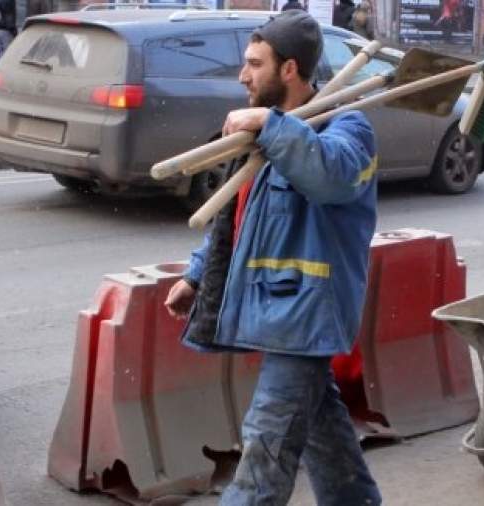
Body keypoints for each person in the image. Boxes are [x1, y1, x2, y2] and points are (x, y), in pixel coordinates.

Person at [164, 11, 382, 505]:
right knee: (327, 441)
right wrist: (197, 276)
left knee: (265, 450)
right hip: (283, 312)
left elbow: (330, 177)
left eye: (254, 64)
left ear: (289, 70)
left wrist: (270, 123)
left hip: (306, 313)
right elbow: (242, 218)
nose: (243, 75)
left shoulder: (345, 128)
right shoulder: (278, 137)